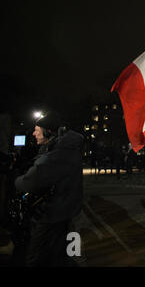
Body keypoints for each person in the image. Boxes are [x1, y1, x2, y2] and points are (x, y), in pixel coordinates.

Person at [14, 112, 83, 266]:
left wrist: (15, 181)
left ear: (47, 131)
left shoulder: (55, 155)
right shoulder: (65, 148)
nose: (34, 133)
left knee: (35, 256)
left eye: (37, 130)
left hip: (52, 213)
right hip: (66, 209)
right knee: (59, 253)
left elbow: (31, 181)